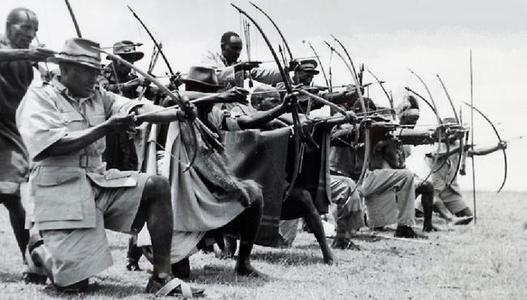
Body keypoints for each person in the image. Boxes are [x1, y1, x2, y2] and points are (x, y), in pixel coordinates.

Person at [16, 37, 201, 296]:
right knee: (74, 286)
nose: (94, 78)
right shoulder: (40, 97)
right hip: (58, 190)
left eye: (96, 71)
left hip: (97, 181)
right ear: (64, 69)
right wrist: (104, 128)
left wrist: (177, 113)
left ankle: (162, 276)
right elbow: (50, 146)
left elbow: (138, 109)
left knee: (156, 186)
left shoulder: (98, 96)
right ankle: (38, 249)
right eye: (86, 71)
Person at [0, 7, 54, 281]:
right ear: (9, 26)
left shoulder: (28, 59)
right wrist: (29, 55)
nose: (31, 35)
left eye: (35, 30)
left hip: (10, 132)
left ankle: (31, 260)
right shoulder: (7, 49)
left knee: (10, 194)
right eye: (25, 29)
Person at [426, 117, 507, 219]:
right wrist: (459, 148)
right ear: (443, 131)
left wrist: (497, 147)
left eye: (457, 131)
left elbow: (477, 151)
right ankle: (445, 217)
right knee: (425, 208)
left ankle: (442, 214)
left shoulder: (457, 145)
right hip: (432, 191)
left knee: (469, 217)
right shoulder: (433, 143)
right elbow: (438, 155)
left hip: (450, 191)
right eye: (451, 131)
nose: (455, 134)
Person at [202, 31, 282, 89]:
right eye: (235, 48)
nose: (238, 53)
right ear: (223, 47)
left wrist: (288, 69)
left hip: (235, 109)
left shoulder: (238, 64)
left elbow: (262, 74)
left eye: (240, 49)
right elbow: (211, 76)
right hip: (213, 108)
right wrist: (237, 68)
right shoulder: (210, 57)